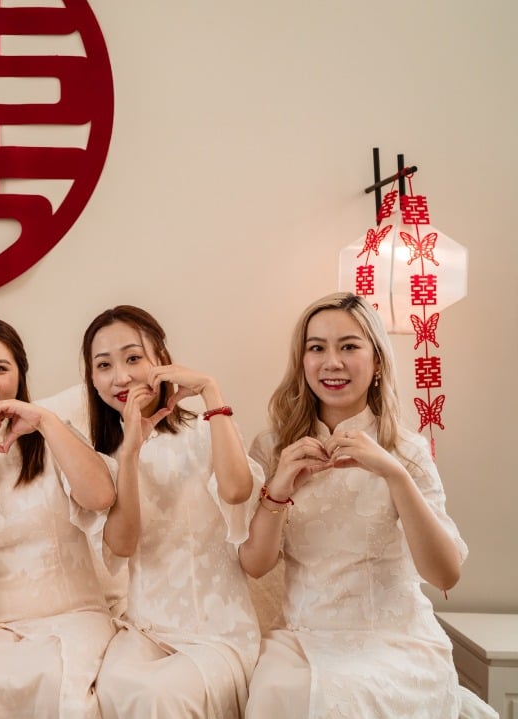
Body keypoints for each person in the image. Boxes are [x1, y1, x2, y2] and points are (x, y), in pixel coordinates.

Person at [240, 293, 497, 719]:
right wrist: (280, 486)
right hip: (303, 635)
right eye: (316, 347)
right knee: (278, 693)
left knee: (357, 696)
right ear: (302, 361)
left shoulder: (407, 450)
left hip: (395, 638)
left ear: (377, 362)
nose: (332, 362)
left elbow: (445, 572)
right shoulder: (273, 446)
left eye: (349, 346)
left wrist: (394, 475)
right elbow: (255, 564)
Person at [0, 317, 117, 718]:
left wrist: (45, 421)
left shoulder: (53, 439)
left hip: (71, 618)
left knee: (52, 675)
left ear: (19, 377)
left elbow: (101, 497)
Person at [87, 305, 262, 719]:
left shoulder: (206, 431)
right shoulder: (101, 461)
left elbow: (237, 491)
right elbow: (124, 544)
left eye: (133, 358)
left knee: (161, 697)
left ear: (162, 363)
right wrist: (130, 451)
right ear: (92, 381)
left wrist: (212, 392)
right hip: (145, 632)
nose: (121, 377)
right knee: (118, 686)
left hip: (217, 632)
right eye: (104, 365)